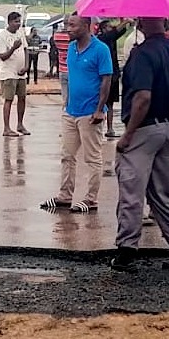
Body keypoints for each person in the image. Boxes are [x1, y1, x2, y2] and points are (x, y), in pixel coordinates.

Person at [110, 16, 169, 272]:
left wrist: (128, 134)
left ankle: (127, 249)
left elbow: (142, 97)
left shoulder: (142, 54)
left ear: (140, 23)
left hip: (143, 129)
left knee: (131, 190)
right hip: (167, 128)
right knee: (160, 194)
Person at [41, 13, 111, 215]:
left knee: (92, 158)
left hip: (90, 113)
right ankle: (65, 196)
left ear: (86, 26)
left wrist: (99, 109)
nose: (67, 29)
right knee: (67, 156)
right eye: (66, 25)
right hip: (71, 111)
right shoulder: (71, 49)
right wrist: (67, 102)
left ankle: (91, 199)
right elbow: (72, 77)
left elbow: (106, 80)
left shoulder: (101, 50)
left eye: (72, 25)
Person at [0, 11, 30, 136]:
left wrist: (26, 66)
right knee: (9, 99)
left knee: (22, 98)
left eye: (19, 21)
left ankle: (20, 124)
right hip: (8, 73)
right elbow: (3, 57)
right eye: (16, 22)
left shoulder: (20, 33)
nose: (18, 24)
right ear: (9, 22)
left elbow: (26, 50)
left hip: (21, 73)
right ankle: (6, 128)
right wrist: (13, 48)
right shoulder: (2, 36)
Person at [95, 18, 128, 138]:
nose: (111, 28)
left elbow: (120, 32)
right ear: (103, 29)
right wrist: (125, 21)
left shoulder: (110, 38)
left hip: (113, 75)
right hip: (104, 75)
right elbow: (114, 32)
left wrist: (123, 21)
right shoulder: (102, 39)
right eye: (109, 26)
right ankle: (102, 127)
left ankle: (110, 128)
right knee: (102, 102)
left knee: (110, 104)